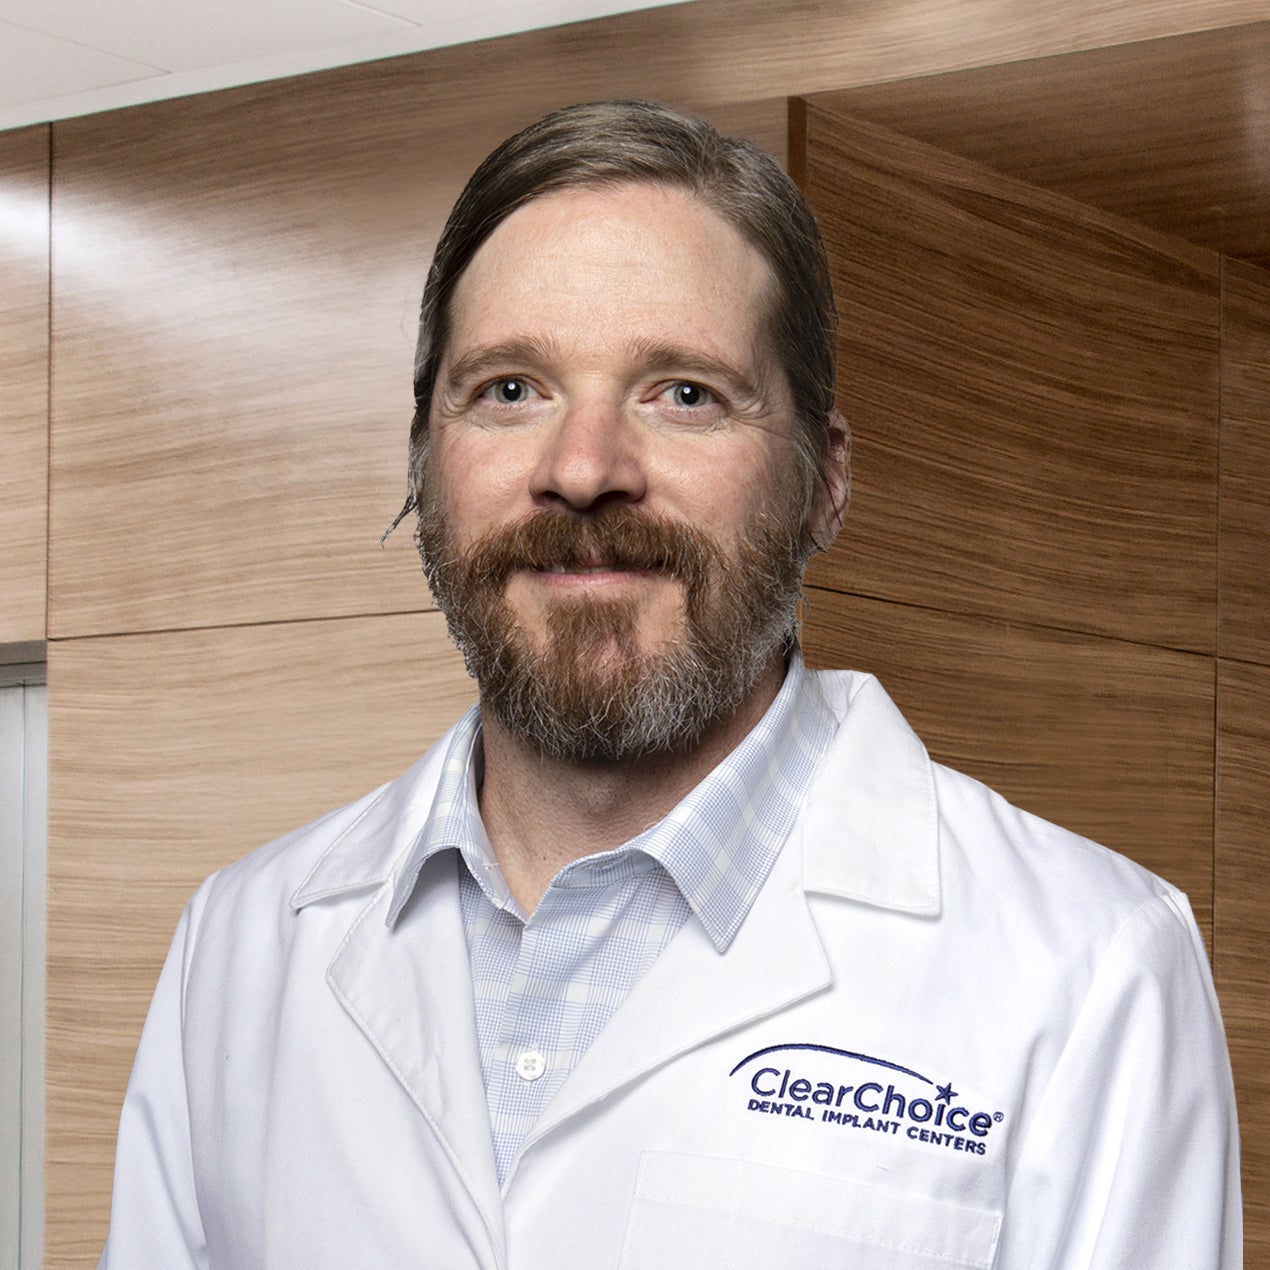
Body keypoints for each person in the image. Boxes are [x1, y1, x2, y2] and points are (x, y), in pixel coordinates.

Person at [99, 99, 1240, 1268]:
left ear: (821, 481)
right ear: (423, 458)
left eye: (684, 393)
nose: (583, 468)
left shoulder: (1088, 967)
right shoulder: (240, 945)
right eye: (510, 389)